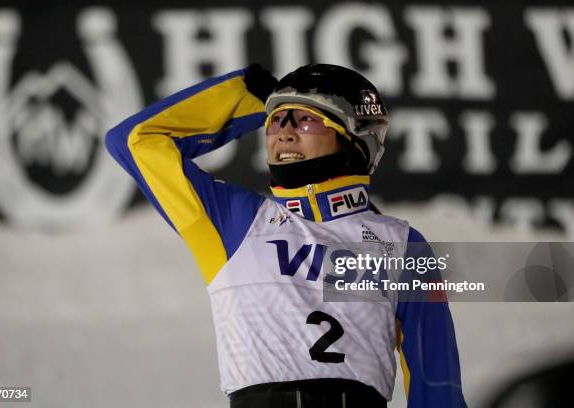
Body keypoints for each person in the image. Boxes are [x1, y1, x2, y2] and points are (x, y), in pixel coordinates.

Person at [105, 63, 466, 408]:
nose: (285, 132)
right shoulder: (230, 220)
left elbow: (437, 382)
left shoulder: (401, 243)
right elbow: (135, 141)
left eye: (306, 120)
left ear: (353, 135)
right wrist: (241, 99)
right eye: (275, 120)